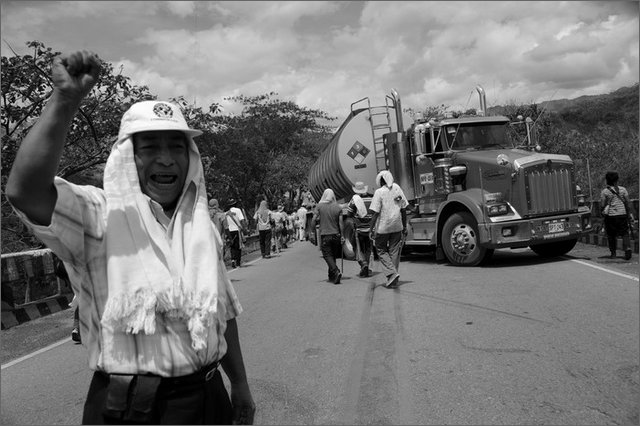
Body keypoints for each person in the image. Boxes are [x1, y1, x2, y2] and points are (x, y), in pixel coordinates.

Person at [5, 50, 255, 424]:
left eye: (176, 147)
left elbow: (223, 312)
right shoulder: (99, 216)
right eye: (150, 147)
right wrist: (64, 101)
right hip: (131, 409)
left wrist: (240, 384)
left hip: (207, 397)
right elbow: (26, 191)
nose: (167, 159)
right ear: (126, 158)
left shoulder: (200, 227)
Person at [369, 170, 408, 288]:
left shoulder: (379, 192)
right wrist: (404, 226)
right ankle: (393, 277)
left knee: (380, 249)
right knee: (394, 251)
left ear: (382, 180)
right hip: (397, 226)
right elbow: (404, 208)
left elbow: (375, 213)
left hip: (383, 227)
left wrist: (371, 229)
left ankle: (392, 274)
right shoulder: (397, 188)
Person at [312, 188, 344, 284]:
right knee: (332, 255)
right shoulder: (338, 207)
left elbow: (314, 220)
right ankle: (332, 276)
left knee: (327, 255)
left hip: (325, 235)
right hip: (336, 235)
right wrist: (342, 235)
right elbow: (341, 223)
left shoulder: (319, 206)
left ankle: (335, 271)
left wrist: (312, 231)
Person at [600, 171, 634, 260]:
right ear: (617, 180)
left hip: (611, 216)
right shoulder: (623, 189)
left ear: (607, 180)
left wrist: (602, 211)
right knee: (625, 233)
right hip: (622, 214)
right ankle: (627, 248)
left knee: (611, 235)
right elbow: (628, 202)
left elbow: (603, 205)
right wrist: (630, 213)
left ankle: (613, 254)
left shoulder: (605, 191)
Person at [345, 182, 374, 277]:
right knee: (368, 248)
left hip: (359, 229)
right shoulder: (371, 198)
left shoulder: (354, 199)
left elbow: (349, 214)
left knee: (357, 247)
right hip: (370, 228)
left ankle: (363, 264)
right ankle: (367, 266)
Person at [226, 198, 247, 268]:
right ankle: (238, 263)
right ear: (235, 204)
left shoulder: (226, 213)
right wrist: (244, 229)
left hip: (229, 231)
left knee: (232, 246)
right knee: (238, 247)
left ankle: (232, 260)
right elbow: (242, 220)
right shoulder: (238, 210)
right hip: (236, 231)